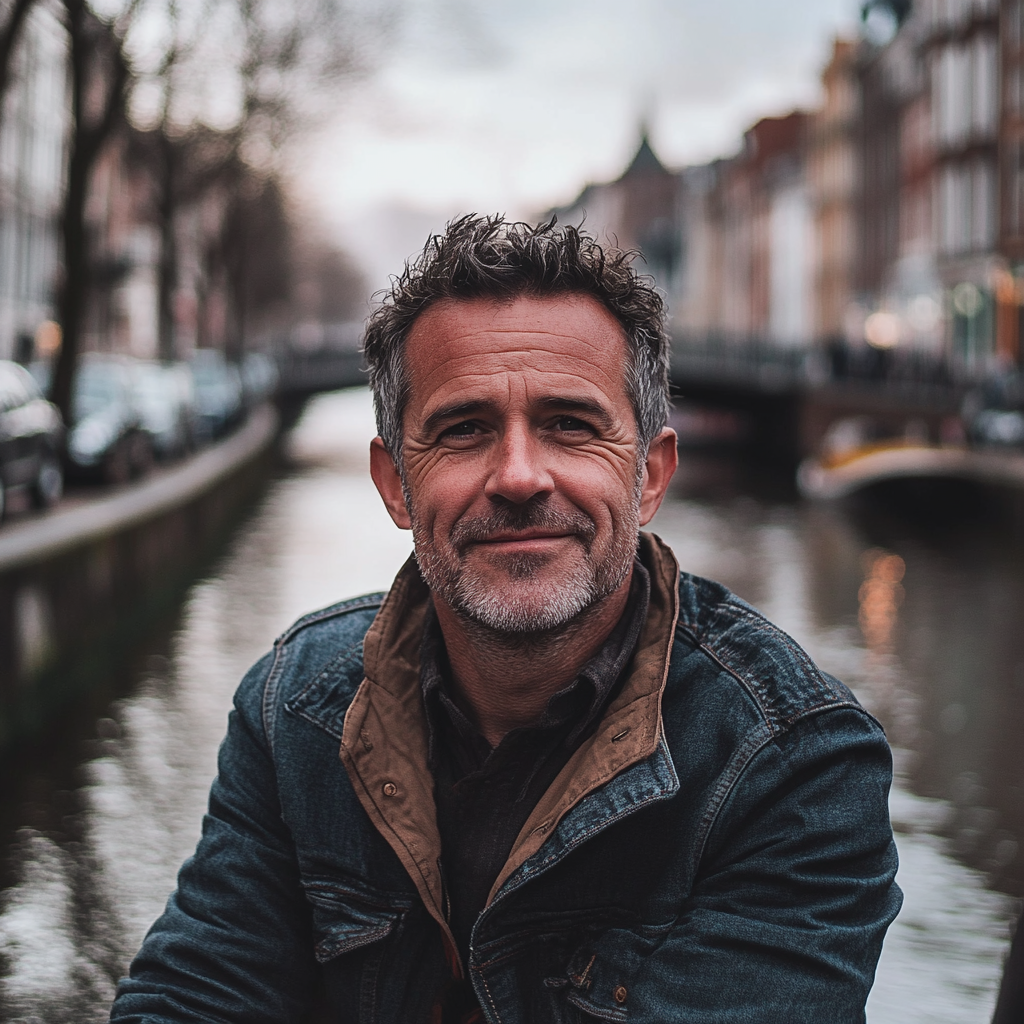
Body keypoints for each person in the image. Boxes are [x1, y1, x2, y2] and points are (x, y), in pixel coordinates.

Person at [110, 216, 902, 1024]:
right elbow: (193, 997)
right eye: (463, 431)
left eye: (571, 425)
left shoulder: (793, 766)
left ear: (651, 476)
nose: (520, 477)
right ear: (394, 483)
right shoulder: (295, 709)